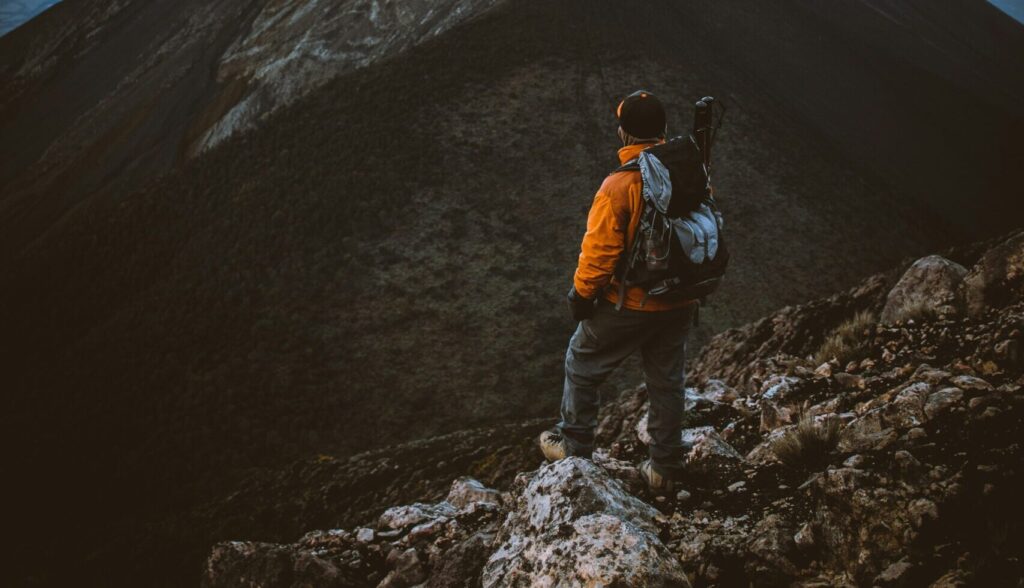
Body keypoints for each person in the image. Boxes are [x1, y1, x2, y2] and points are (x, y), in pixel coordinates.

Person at [539, 90, 697, 493]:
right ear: (662, 131)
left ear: (624, 132)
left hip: (631, 302)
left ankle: (574, 444)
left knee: (581, 360)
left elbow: (599, 252)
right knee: (666, 380)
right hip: (680, 299)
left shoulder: (619, 185)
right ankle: (664, 467)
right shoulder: (691, 171)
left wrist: (581, 296)